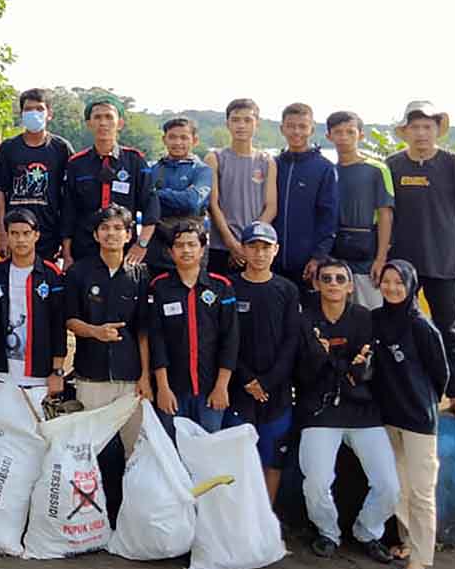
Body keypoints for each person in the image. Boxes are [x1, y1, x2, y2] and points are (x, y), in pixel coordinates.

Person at [295, 258, 398, 564]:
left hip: (362, 410)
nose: (333, 284)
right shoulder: (305, 319)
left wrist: (333, 359)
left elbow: (364, 368)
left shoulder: (364, 318)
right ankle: (328, 532)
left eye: (341, 279)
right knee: (315, 481)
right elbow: (303, 371)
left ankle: (368, 531)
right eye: (326, 278)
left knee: (389, 485)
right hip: (320, 408)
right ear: (317, 284)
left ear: (351, 286)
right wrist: (331, 360)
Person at [386, 101, 455, 421]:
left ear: (437, 130)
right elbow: (386, 214)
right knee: (401, 328)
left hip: (445, 261)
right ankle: (405, 388)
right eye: (415, 127)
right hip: (403, 266)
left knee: (451, 329)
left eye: (428, 126)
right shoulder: (393, 165)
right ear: (406, 132)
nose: (422, 133)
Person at [372, 260, 448, 569]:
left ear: (411, 285)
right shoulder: (375, 320)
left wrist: (421, 399)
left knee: (421, 491)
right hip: (388, 417)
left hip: (418, 419)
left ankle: (420, 559)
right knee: (397, 487)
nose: (391, 288)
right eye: (386, 281)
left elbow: (440, 373)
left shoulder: (421, 326)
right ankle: (405, 540)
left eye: (398, 282)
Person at [65, 204, 151, 445]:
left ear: (129, 234)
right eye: (104, 228)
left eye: (117, 228)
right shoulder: (78, 273)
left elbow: (144, 330)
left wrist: (145, 376)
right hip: (91, 375)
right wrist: (95, 332)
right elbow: (70, 320)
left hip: (130, 378)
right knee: (89, 449)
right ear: (95, 235)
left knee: (134, 450)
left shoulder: (141, 275)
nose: (111, 234)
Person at [227, 221, 299, 504]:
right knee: (240, 459)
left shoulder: (288, 290)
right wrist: (247, 380)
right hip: (238, 390)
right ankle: (241, 520)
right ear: (243, 249)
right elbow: (226, 340)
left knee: (273, 460)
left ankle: (266, 521)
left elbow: (292, 341)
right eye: (253, 247)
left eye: (265, 248)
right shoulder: (229, 287)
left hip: (276, 392)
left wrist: (267, 382)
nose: (259, 254)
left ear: (276, 250)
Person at [148, 219, 238, 438]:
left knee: (207, 455)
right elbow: (156, 339)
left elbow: (231, 338)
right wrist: (162, 387)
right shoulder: (159, 287)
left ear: (202, 249)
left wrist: (222, 386)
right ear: (170, 252)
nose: (186, 250)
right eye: (179, 245)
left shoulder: (221, 286)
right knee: (172, 455)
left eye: (192, 244)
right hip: (173, 390)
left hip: (211, 390)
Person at [61, 94, 158, 268]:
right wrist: (67, 255)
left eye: (108, 117)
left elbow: (151, 206)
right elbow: (69, 211)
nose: (103, 123)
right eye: (97, 117)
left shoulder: (135, 161)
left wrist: (142, 244)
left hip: (125, 249)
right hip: (85, 248)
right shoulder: (76, 163)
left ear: (120, 123)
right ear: (89, 124)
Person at [0, 209, 66, 396]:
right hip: (3, 371)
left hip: (40, 373)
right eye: (14, 234)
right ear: (7, 236)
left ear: (36, 235)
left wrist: (57, 371)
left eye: (26, 233)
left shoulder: (51, 275)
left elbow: (58, 326)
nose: (20, 240)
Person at [0, 88, 74, 261]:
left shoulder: (61, 149)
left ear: (49, 113)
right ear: (21, 114)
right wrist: (1, 232)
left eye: (39, 109)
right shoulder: (8, 148)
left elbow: (69, 196)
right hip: (15, 233)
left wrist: (65, 239)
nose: (33, 113)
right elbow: (0, 191)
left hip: (49, 233)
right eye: (28, 109)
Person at [325, 111, 395, 309]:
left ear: (361, 135)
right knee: (338, 312)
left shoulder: (377, 169)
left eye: (350, 132)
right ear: (329, 136)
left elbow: (385, 214)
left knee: (370, 311)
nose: (344, 137)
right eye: (338, 132)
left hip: (366, 256)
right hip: (335, 255)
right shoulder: (329, 170)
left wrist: (381, 259)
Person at [273, 103, 339, 297]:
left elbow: (329, 216)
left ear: (311, 128)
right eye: (291, 126)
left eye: (302, 126)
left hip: (306, 263)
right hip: (271, 260)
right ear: (282, 128)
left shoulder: (324, 168)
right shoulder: (273, 164)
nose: (296, 131)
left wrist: (319, 256)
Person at [207, 98, 278, 274]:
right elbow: (213, 205)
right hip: (222, 246)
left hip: (257, 250)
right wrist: (232, 244)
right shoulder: (214, 158)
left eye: (247, 120)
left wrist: (250, 241)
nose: (241, 125)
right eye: (236, 120)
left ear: (257, 124)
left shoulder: (267, 161)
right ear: (227, 123)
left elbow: (271, 206)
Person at [146, 117, 212, 272]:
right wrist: (177, 196)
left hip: (191, 246)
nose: (177, 142)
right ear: (164, 139)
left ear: (194, 140)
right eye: (172, 137)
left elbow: (191, 201)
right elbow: (144, 200)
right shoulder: (154, 169)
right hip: (158, 245)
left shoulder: (202, 170)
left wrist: (156, 194)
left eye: (184, 138)